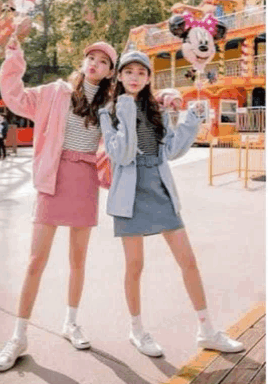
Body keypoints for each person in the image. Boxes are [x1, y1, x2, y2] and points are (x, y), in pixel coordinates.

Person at [99, 50, 245, 357]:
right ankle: (137, 330)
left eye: (141, 72)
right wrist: (125, 108)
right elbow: (122, 156)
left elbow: (173, 151)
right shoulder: (108, 111)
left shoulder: (157, 110)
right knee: (135, 266)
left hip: (160, 187)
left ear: (149, 77)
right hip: (129, 194)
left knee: (188, 260)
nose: (134, 77)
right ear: (119, 77)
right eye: (128, 72)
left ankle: (206, 330)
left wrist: (190, 119)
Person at [0, 39, 117, 371]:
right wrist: (15, 54)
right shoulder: (54, 92)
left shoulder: (110, 105)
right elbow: (15, 96)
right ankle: (18, 336)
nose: (94, 63)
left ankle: (71, 322)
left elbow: (131, 130)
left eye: (102, 61)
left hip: (86, 180)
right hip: (53, 178)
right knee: (36, 260)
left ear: (109, 72)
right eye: (90, 56)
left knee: (78, 260)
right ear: (83, 59)